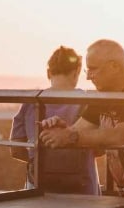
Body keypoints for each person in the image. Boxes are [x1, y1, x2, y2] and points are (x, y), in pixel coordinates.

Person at [39, 40, 124, 198]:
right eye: (87, 70)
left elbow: (118, 136)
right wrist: (62, 128)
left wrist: (69, 136)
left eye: (93, 69)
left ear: (114, 66)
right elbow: (77, 130)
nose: (88, 77)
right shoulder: (103, 97)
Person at [9, 46, 100, 194]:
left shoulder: (30, 102)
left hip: (39, 188)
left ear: (48, 72)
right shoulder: (88, 102)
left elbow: (16, 150)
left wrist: (44, 161)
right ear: (77, 71)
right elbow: (100, 148)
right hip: (82, 189)